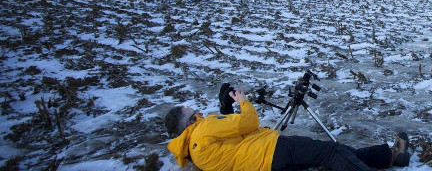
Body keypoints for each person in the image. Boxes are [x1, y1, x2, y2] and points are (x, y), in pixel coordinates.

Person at [165, 83, 411, 171]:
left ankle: (389, 156)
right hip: (271, 151)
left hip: (264, 161)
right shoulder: (202, 130)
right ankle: (388, 156)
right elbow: (249, 123)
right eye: (193, 113)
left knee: (336, 155)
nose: (198, 112)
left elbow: (231, 139)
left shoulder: (195, 151)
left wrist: (225, 110)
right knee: (332, 152)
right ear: (189, 124)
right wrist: (242, 101)